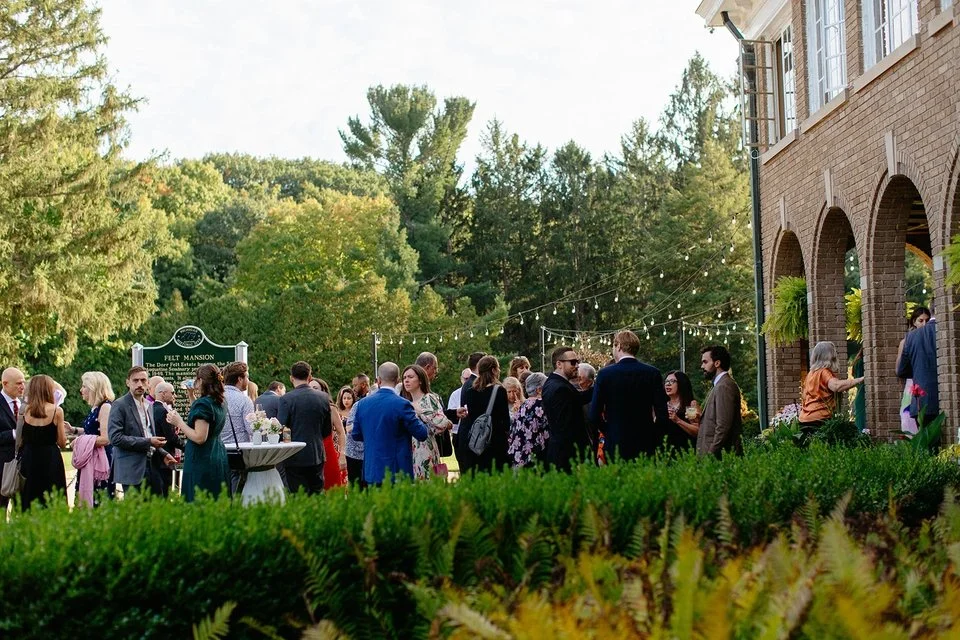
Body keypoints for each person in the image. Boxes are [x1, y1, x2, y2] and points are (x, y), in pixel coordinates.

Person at [589, 331, 669, 461]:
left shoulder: (605, 374)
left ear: (618, 346)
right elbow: (662, 415)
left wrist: (609, 430)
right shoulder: (652, 373)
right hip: (645, 441)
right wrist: (654, 435)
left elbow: (593, 415)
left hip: (616, 440)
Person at [352, 362, 429, 485]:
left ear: (378, 380)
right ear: (398, 380)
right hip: (397, 470)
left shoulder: (362, 404)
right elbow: (422, 433)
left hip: (372, 469)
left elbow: (356, 434)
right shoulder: (402, 404)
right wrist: (418, 414)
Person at [165, 364, 230, 502]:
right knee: (216, 496)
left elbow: (200, 437)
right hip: (217, 453)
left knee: (199, 498)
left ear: (200, 381)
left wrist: (179, 422)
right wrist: (191, 395)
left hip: (202, 458)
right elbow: (201, 415)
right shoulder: (220, 400)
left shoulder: (204, 404)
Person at [109, 366, 176, 495]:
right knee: (136, 507)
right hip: (132, 469)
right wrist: (149, 442)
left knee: (158, 504)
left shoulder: (149, 405)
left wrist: (163, 453)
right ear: (128, 382)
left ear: (148, 383)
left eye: (143, 380)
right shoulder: (119, 405)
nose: (139, 384)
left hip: (153, 466)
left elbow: (149, 434)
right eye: (135, 380)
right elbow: (115, 438)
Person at [277, 361, 331, 495]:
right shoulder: (323, 398)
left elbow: (281, 428)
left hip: (293, 455)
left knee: (298, 496)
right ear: (310, 377)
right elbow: (327, 430)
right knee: (317, 494)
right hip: (316, 453)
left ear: (291, 378)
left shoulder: (286, 399)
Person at [18, 375, 67, 511]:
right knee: (52, 498)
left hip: (29, 458)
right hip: (50, 459)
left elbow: (21, 439)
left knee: (29, 496)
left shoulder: (25, 410)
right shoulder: (57, 411)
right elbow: (62, 442)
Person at [456, 355, 510, 474]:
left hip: (477, 443)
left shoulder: (470, 392)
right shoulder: (499, 391)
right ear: (493, 370)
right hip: (496, 443)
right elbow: (506, 422)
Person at [542, 346, 593, 470]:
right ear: (559, 364)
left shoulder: (553, 384)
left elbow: (578, 399)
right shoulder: (560, 388)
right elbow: (566, 428)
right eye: (573, 362)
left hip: (562, 453)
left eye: (577, 362)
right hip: (567, 457)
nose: (577, 366)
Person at [69, 372, 116, 502]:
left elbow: (105, 439)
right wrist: (73, 430)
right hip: (91, 459)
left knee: (99, 499)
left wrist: (79, 441)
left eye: (84, 386)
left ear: (94, 388)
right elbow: (92, 432)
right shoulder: (95, 408)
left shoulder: (105, 407)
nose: (81, 390)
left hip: (100, 463)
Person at [400, 364, 452, 480]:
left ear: (420, 380)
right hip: (410, 450)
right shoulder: (406, 403)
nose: (406, 380)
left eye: (410, 377)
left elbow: (442, 423)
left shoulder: (429, 398)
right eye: (404, 378)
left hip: (426, 449)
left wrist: (420, 412)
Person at [798, 341, 865, 432]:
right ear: (829, 356)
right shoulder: (824, 372)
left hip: (805, 419)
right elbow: (836, 386)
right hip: (819, 419)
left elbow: (804, 395)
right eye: (834, 352)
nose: (836, 355)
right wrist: (860, 379)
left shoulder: (811, 373)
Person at [696, 346, 744, 457]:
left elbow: (723, 426)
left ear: (717, 363)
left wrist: (711, 454)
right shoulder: (719, 385)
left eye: (705, 362)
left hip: (721, 457)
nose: (702, 366)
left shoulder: (724, 386)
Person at [897, 314, 940, 424]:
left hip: (922, 400)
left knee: (925, 434)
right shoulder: (949, 329)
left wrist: (918, 370)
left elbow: (901, 370)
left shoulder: (911, 337)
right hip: (950, 397)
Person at [221, 362, 255, 495]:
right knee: (236, 492)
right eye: (247, 377)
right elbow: (251, 429)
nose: (248, 380)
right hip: (238, 452)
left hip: (218, 450)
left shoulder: (215, 398)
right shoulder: (244, 400)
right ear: (240, 379)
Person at [896, 307, 931, 433]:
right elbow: (899, 368)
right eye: (920, 321)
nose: (924, 324)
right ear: (914, 322)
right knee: (909, 420)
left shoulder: (932, 338)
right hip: (913, 384)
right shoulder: (907, 341)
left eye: (927, 321)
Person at [507, 372, 550, 468]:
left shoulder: (523, 405)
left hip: (519, 456)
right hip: (536, 457)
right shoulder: (541, 405)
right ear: (539, 390)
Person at [0, 367, 26, 512]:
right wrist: (15, 434)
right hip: (2, 467)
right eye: (18, 383)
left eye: (23, 382)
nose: (22, 386)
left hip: (23, 466)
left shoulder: (25, 404)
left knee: (22, 509)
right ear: (5, 384)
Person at [313, 378, 346, 490]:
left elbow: (341, 432)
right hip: (311, 453)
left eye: (315, 388)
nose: (312, 390)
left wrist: (342, 455)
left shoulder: (331, 408)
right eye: (310, 388)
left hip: (328, 451)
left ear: (323, 391)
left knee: (332, 487)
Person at [344, 374, 371, 487]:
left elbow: (350, 428)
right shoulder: (359, 402)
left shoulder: (361, 404)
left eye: (355, 385)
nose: (353, 388)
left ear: (363, 385)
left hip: (359, 453)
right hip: (355, 452)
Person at [663, 370, 699, 450]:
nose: (668, 384)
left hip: (686, 451)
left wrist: (678, 420)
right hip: (665, 451)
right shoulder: (662, 405)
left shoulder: (690, 405)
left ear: (681, 383)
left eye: (672, 381)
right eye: (666, 381)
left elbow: (697, 431)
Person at [446, 368, 471, 449]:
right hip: (458, 432)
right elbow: (450, 415)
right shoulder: (455, 394)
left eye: (470, 379)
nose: (468, 381)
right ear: (461, 379)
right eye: (466, 379)